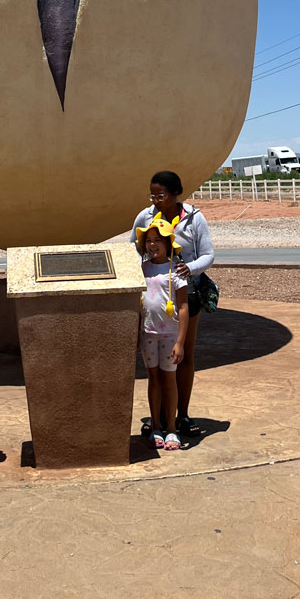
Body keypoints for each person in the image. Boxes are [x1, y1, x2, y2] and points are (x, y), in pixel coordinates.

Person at [131, 171, 214, 436]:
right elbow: (134, 245)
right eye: (152, 195)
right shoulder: (145, 217)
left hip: (185, 292)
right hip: (157, 293)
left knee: (183, 354)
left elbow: (209, 254)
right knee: (158, 364)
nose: (156, 200)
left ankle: (183, 415)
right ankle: (163, 418)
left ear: (176, 194)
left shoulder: (194, 218)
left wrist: (187, 269)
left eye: (161, 195)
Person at [136, 217, 188, 450]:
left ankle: (172, 429)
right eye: (148, 241)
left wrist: (180, 341)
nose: (152, 245)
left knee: (169, 380)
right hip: (148, 333)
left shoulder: (176, 272)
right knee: (153, 379)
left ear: (168, 244)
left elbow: (184, 307)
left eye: (158, 240)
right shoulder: (142, 269)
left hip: (169, 334)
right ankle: (155, 426)